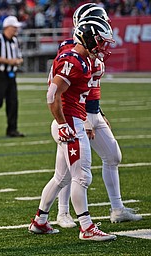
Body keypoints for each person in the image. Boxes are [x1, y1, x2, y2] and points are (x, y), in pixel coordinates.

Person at [28, 17, 117, 241]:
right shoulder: (74, 60)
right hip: (70, 122)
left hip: (73, 119)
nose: (103, 47)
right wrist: (63, 124)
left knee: (62, 177)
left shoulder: (81, 58)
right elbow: (52, 94)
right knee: (82, 176)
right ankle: (86, 227)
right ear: (88, 39)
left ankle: (40, 220)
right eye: (99, 41)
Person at [55, 3, 142, 229]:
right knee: (68, 170)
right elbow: (61, 90)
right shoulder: (71, 50)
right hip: (75, 115)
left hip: (91, 112)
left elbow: (91, 87)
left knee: (113, 156)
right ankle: (63, 213)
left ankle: (117, 208)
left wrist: (98, 112)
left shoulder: (96, 49)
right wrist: (82, 119)